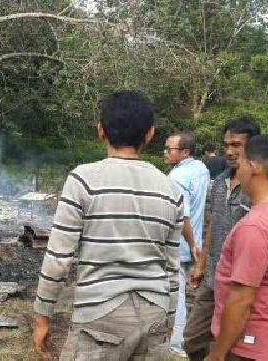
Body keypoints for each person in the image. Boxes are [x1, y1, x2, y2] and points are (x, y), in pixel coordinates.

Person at [31, 90, 184, 361]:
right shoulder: (171, 189)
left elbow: (58, 258)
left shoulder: (83, 179)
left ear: (100, 130)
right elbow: (171, 267)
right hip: (155, 312)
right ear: (150, 134)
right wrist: (169, 319)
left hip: (100, 316)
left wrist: (42, 316)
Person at [205, 135, 268, 361]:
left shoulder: (255, 226)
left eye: (239, 162)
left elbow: (242, 299)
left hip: (247, 347)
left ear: (253, 167)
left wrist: (218, 354)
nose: (236, 170)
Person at [184, 117, 261, 361]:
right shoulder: (218, 183)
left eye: (236, 145)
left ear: (253, 146)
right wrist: (200, 265)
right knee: (193, 339)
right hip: (212, 278)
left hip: (241, 282)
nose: (229, 151)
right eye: (226, 145)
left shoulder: (258, 188)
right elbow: (211, 226)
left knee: (232, 346)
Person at [164, 131, 210, 358]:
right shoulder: (201, 169)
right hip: (194, 242)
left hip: (179, 244)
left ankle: (176, 343)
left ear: (185, 152)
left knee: (176, 295)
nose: (165, 153)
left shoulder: (177, 178)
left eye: (169, 149)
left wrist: (191, 244)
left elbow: (183, 216)